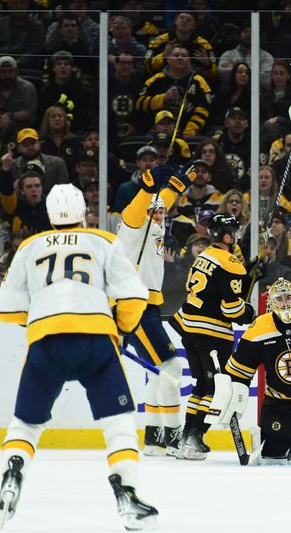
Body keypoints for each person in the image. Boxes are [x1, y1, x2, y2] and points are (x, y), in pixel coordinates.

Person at [0, 183, 158, 530]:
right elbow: (133, 296)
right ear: (83, 212)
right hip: (96, 339)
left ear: (50, 215)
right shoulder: (103, 240)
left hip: (45, 340)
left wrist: (39, 316)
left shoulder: (28, 246)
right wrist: (123, 326)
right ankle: (127, 492)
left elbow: (5, 307)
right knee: (119, 424)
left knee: (26, 423)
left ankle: (13, 471)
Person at [205, 278, 291, 464]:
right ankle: (285, 447)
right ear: (271, 302)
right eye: (280, 299)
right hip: (282, 400)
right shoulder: (258, 329)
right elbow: (239, 373)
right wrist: (231, 400)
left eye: (289, 297)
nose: (285, 303)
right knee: (272, 457)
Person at [118, 164, 193, 457]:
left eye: (162, 211)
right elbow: (137, 211)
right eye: (155, 212)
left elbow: (159, 202)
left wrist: (176, 187)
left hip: (145, 304)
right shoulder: (133, 226)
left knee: (161, 370)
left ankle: (153, 437)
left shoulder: (156, 223)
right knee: (172, 366)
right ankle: (174, 435)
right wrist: (147, 189)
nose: (159, 215)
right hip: (135, 305)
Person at [171, 213, 255, 460]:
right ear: (227, 235)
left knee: (201, 385)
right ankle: (196, 437)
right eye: (235, 232)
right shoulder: (230, 263)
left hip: (190, 328)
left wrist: (246, 276)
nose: (237, 236)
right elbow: (232, 310)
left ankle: (186, 437)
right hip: (213, 333)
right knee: (217, 388)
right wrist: (249, 311)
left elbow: (212, 289)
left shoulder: (205, 256)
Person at [136, 43, 213, 138]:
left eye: (184, 56)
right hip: (156, 133)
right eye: (176, 55)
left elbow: (204, 110)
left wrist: (189, 132)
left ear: (189, 60)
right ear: (168, 59)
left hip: (187, 133)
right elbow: (139, 104)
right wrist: (163, 98)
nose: (180, 58)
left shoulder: (198, 81)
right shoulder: (156, 79)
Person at [143, 9, 217, 81]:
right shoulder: (159, 41)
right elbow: (146, 68)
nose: (184, 21)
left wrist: (207, 65)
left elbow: (215, 76)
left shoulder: (203, 45)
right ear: (175, 21)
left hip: (192, 84)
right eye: (181, 18)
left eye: (189, 20)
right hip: (163, 82)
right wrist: (163, 56)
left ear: (194, 25)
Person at [0, 55, 37, 131]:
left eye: (10, 71)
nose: (7, 75)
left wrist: (10, 116)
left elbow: (28, 114)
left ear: (16, 71)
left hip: (21, 131)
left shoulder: (27, 88)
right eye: (3, 71)